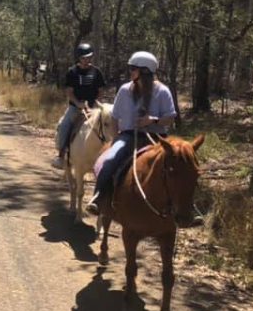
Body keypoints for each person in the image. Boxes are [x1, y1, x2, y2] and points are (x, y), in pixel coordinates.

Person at [85, 51, 176, 215]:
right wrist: (115, 138)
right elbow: (114, 117)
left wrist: (152, 120)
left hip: (157, 138)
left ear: (144, 71)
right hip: (127, 136)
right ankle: (98, 197)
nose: (130, 71)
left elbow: (170, 118)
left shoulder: (162, 91)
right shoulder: (125, 90)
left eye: (133, 68)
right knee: (110, 159)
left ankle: (187, 208)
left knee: (179, 164)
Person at [51, 43, 106, 169]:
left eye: (89, 57)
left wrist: (96, 104)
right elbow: (69, 92)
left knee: (106, 126)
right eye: (84, 58)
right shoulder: (72, 72)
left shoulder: (96, 72)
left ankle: (104, 157)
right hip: (76, 106)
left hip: (93, 107)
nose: (87, 60)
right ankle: (61, 155)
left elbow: (100, 91)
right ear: (79, 58)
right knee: (64, 125)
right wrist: (78, 104)